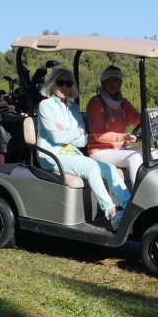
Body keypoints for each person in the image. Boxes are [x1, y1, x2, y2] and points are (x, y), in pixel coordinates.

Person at [36, 68, 130, 229]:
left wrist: (66, 131)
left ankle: (129, 207)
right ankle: (112, 213)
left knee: (110, 169)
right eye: (61, 83)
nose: (65, 86)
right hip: (52, 155)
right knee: (92, 168)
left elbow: (82, 139)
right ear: (53, 85)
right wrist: (74, 132)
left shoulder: (72, 107)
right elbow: (56, 138)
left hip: (72, 153)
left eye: (69, 83)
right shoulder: (46, 106)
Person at [85, 65, 143, 185]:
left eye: (116, 80)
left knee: (154, 153)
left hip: (120, 149)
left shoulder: (123, 103)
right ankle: (139, 199)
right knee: (134, 157)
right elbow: (98, 135)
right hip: (99, 150)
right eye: (109, 80)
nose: (113, 83)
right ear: (103, 82)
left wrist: (149, 116)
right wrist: (123, 137)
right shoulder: (95, 103)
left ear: (121, 83)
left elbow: (137, 120)